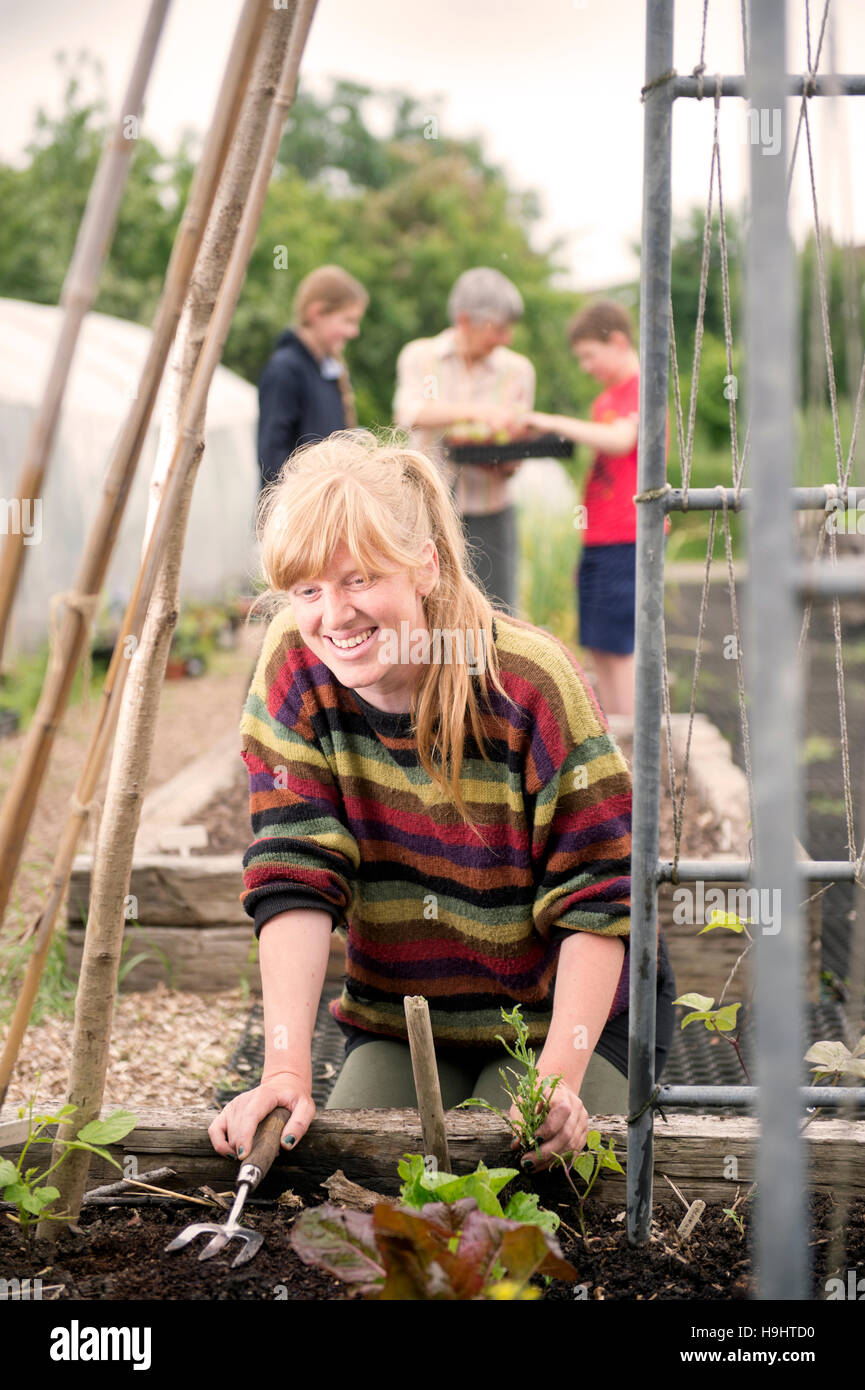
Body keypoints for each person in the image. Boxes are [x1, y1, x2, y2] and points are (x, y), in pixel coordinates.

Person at [209, 430, 676, 1170]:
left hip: (563, 1009)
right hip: (405, 1013)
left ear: (423, 565)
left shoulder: (527, 681)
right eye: (307, 590)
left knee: (514, 1169)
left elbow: (599, 894)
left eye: (359, 579)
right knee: (360, 1173)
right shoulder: (294, 664)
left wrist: (557, 1075)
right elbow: (294, 867)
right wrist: (284, 1071)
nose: (334, 615)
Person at [525, 300, 668, 717]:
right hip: (601, 537)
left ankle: (631, 743)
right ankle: (617, 733)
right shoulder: (604, 401)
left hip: (628, 537)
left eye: (589, 355)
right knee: (600, 644)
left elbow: (622, 440)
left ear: (618, 341)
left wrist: (553, 421)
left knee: (620, 647)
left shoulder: (644, 387)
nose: (586, 366)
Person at [392, 267, 535, 616]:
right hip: (426, 511)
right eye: (498, 328)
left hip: (491, 508)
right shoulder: (419, 356)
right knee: (427, 612)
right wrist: (480, 413)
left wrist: (508, 453)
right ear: (465, 320)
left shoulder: (518, 370)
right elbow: (409, 413)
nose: (506, 338)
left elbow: (515, 447)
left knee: (497, 612)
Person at [256, 264, 368, 489]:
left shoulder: (330, 370)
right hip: (296, 511)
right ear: (316, 313)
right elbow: (272, 460)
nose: (353, 332)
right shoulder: (285, 369)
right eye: (347, 320)